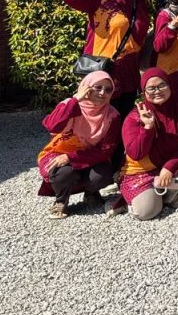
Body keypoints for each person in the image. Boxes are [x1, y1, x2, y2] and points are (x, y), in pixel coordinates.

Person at [61, 0, 150, 120]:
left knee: (124, 119)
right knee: (101, 118)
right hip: (104, 68)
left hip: (129, 70)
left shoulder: (139, 4)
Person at [116, 68, 178, 220]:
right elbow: (136, 154)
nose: (157, 91)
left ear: (169, 85)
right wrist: (148, 127)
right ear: (144, 91)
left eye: (162, 85)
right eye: (151, 88)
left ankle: (169, 196)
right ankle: (152, 194)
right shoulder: (135, 116)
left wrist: (169, 167)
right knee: (146, 212)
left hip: (170, 168)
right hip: (141, 171)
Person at [36, 71, 120, 219]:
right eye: (97, 87)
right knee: (62, 172)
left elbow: (106, 150)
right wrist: (75, 99)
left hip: (89, 155)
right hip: (58, 152)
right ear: (86, 87)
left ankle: (91, 193)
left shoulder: (112, 115)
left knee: (102, 174)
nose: (102, 93)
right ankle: (61, 200)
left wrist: (71, 157)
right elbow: (52, 126)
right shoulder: (70, 105)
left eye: (108, 90)